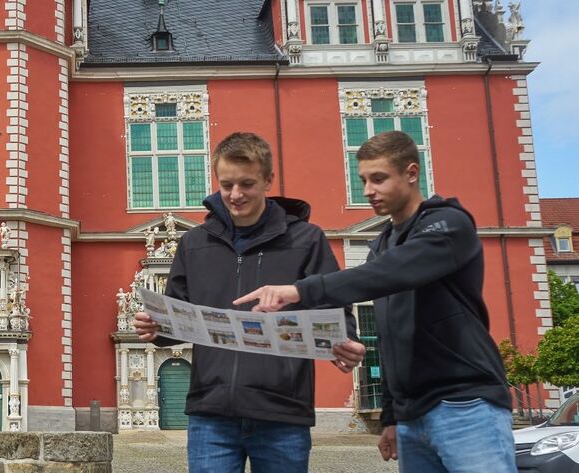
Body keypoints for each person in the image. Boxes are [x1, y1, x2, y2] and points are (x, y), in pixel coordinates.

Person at [234, 131, 515, 473]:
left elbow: (391, 273)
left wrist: (298, 290)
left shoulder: (448, 225)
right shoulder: (382, 246)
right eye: (363, 180)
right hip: (412, 417)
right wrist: (392, 415)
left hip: (465, 405)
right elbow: (390, 337)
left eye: (379, 179)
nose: (368, 191)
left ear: (411, 173)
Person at [131, 132, 366, 473]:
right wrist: (155, 328)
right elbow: (177, 316)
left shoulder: (306, 239)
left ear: (268, 179)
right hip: (211, 412)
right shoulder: (194, 244)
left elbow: (334, 307)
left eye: (247, 184)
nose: (235, 195)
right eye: (226, 185)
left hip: (281, 411)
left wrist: (346, 340)